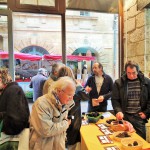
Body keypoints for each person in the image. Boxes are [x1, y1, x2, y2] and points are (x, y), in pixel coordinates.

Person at [29, 76, 76, 150]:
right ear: (59, 91)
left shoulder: (65, 103)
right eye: (69, 95)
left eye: (73, 95)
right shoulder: (41, 104)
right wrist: (66, 124)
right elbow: (46, 130)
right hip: (42, 146)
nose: (71, 98)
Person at [111, 60, 150, 139]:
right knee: (124, 140)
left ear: (138, 71)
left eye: (134, 73)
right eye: (129, 73)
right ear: (125, 71)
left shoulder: (147, 82)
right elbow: (115, 99)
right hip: (125, 117)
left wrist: (146, 113)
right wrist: (118, 111)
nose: (131, 75)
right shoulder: (118, 83)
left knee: (140, 141)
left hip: (139, 118)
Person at [57, 66, 89, 150]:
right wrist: (79, 85)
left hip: (59, 123)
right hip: (73, 123)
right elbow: (86, 97)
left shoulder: (57, 89)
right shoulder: (76, 88)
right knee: (73, 146)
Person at [0, 69, 30, 135]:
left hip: (11, 137)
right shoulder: (7, 91)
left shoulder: (13, 90)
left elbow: (16, 119)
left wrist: (1, 116)